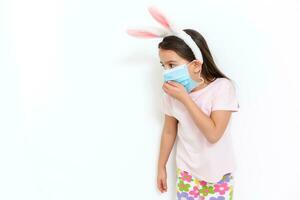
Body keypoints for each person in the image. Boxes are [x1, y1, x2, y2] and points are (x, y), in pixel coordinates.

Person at [156, 29, 239, 200]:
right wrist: (161, 166)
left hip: (219, 176)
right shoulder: (171, 95)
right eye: (163, 65)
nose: (166, 71)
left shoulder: (222, 88)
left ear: (195, 65)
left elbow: (214, 134)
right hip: (187, 174)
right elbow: (169, 131)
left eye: (172, 65)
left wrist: (185, 99)